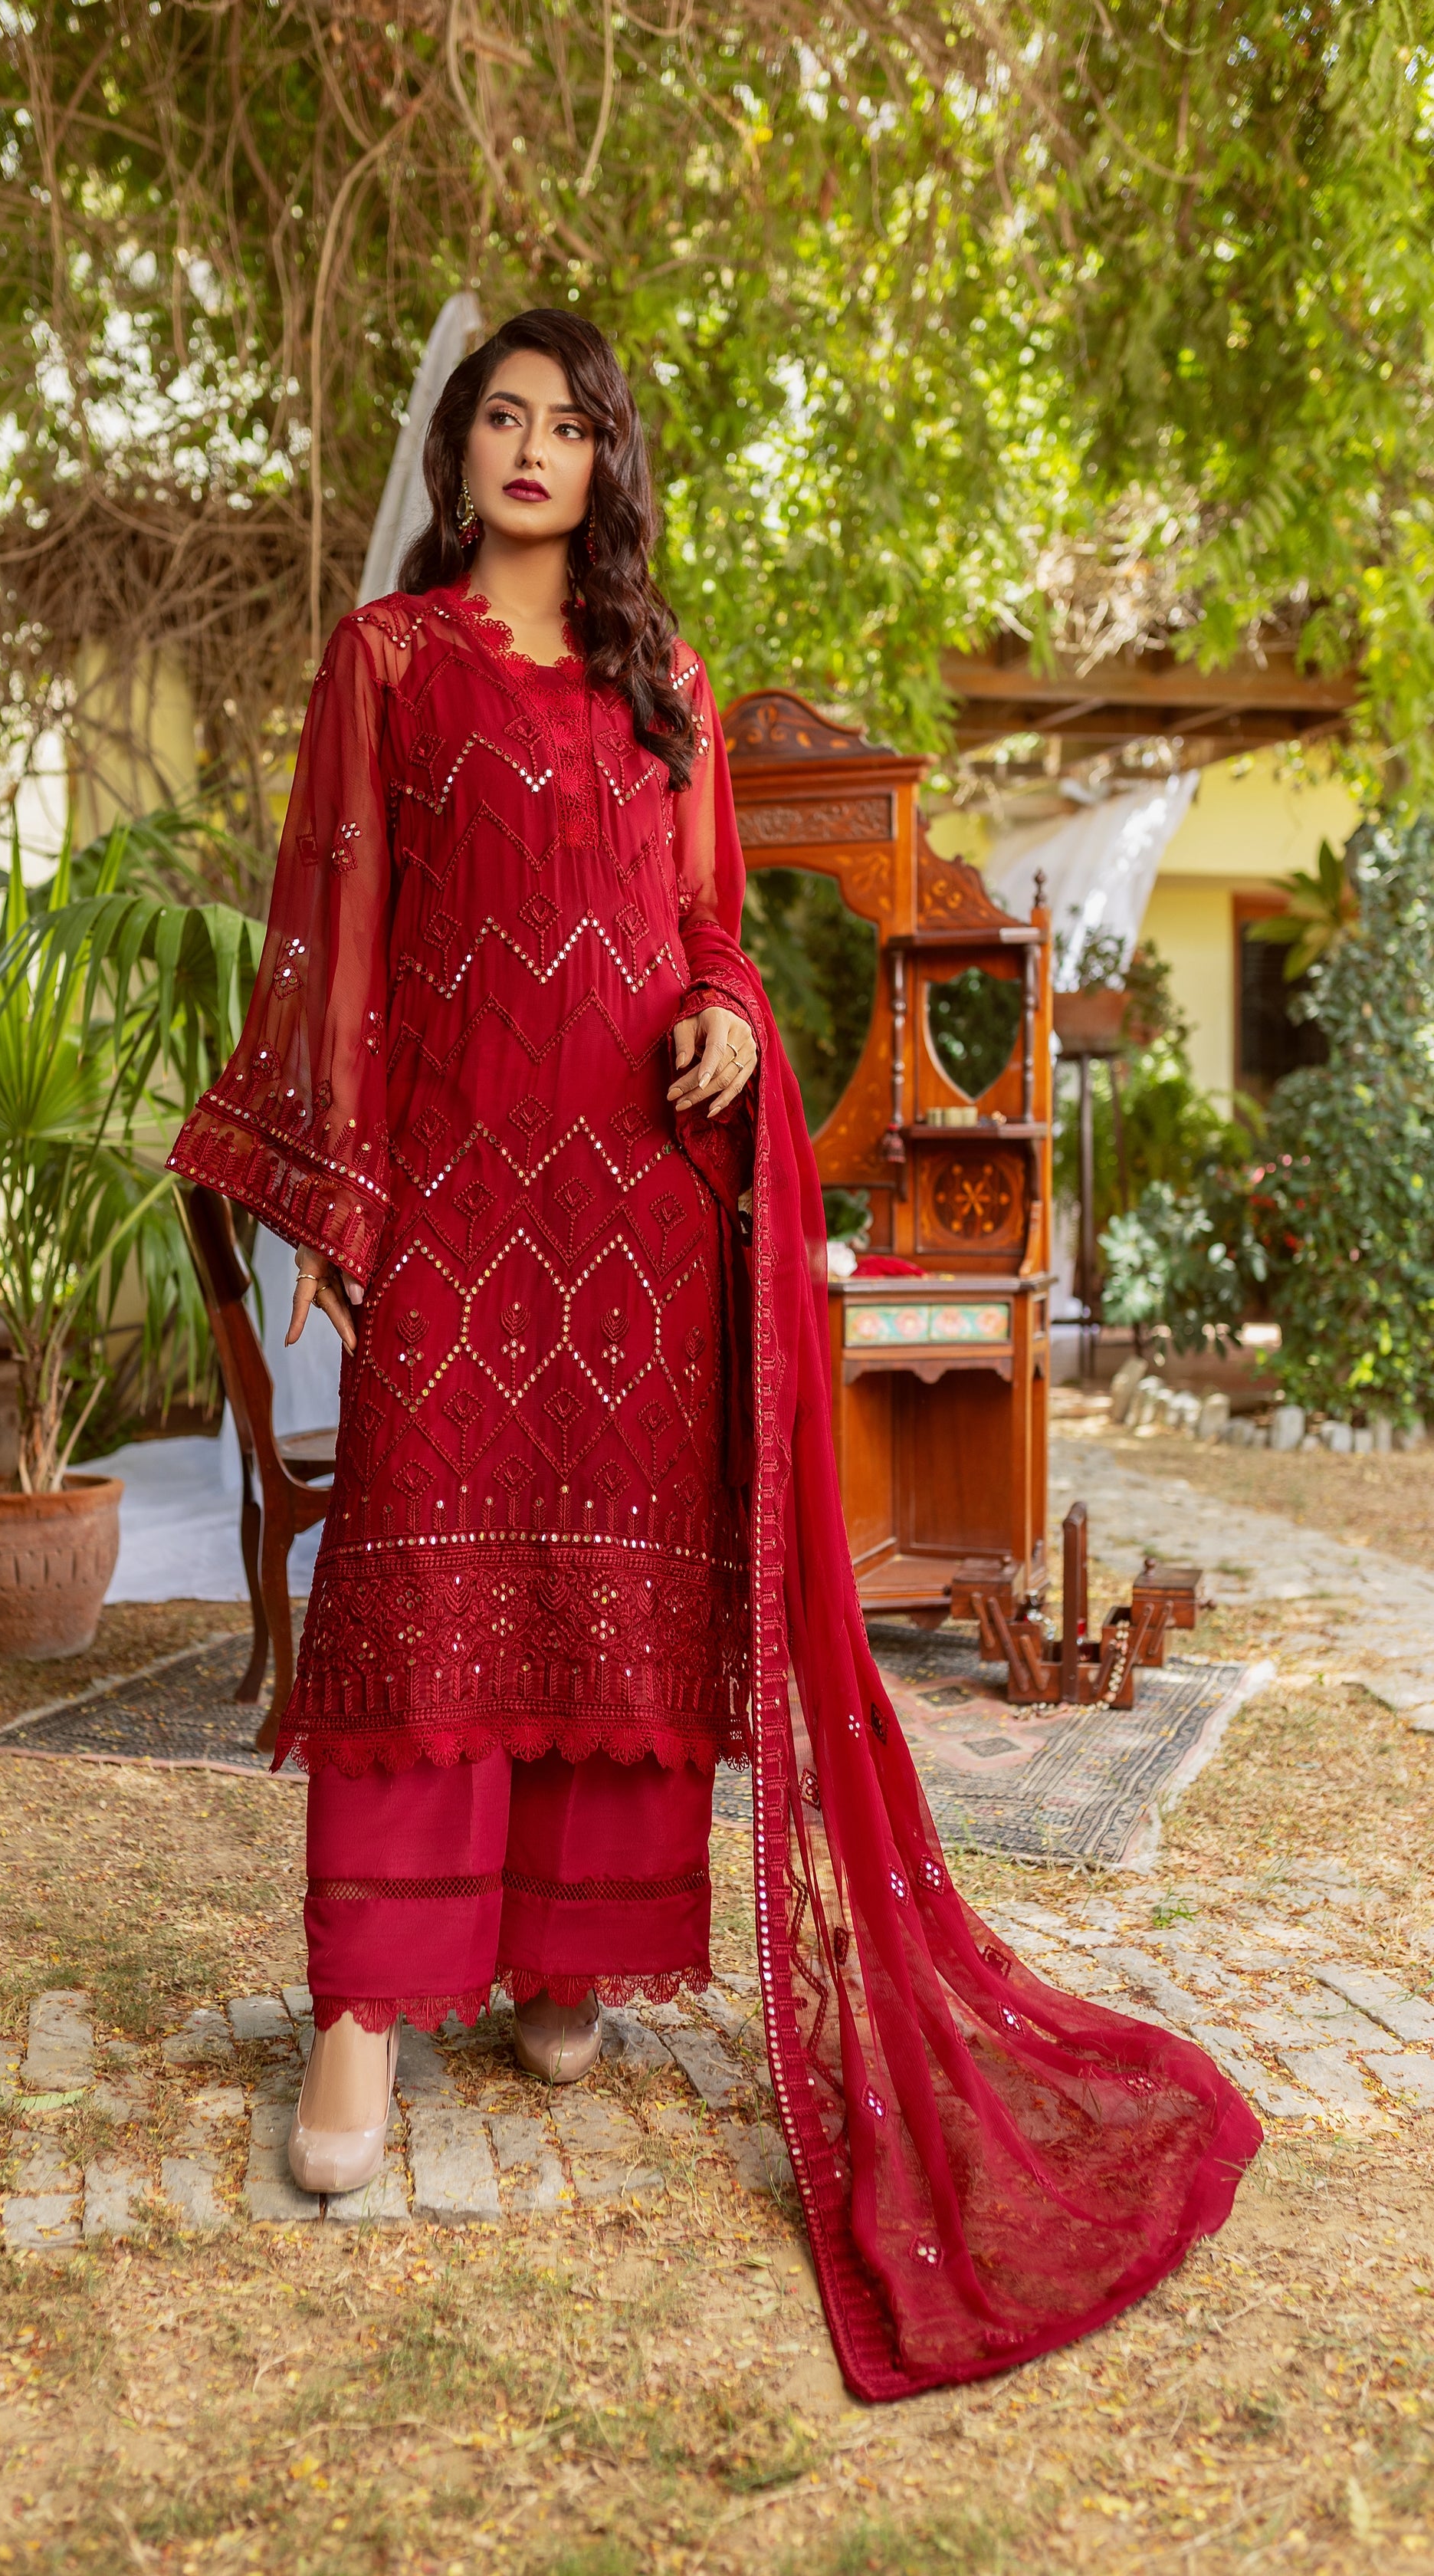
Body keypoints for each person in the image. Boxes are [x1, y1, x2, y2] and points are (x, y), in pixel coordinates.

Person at [170, 309, 1262, 2396]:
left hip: (638, 1214)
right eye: (498, 417)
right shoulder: (387, 661)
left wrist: (739, 1022)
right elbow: (337, 911)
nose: (525, 451)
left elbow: (712, 932)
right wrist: (330, 1192)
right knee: (411, 1576)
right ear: (456, 450)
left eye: (564, 426)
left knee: (612, 1597)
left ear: (607, 465)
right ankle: (363, 2011)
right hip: (464, 1208)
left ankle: (569, 1952)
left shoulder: (664, 687)